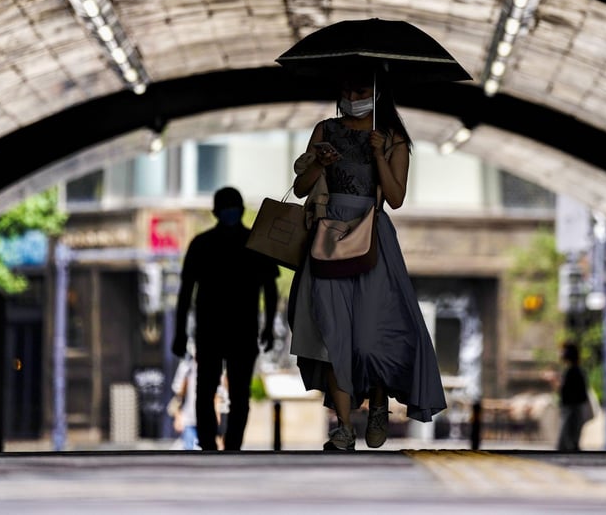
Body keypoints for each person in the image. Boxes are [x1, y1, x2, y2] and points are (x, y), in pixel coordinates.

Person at [289, 63, 447, 451]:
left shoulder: (391, 138)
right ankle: (342, 427)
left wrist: (379, 155)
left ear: (377, 93)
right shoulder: (325, 130)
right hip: (327, 236)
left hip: (373, 236)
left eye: (361, 92)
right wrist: (320, 164)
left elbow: (395, 197)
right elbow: (299, 187)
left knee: (372, 335)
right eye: (348, 91)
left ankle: (378, 404)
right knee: (331, 333)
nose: (353, 99)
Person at [171, 186, 279, 451]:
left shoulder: (201, 244)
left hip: (211, 330)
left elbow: (186, 292)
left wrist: (180, 332)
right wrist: (267, 327)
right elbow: (270, 288)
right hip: (241, 330)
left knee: (206, 390)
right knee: (237, 393)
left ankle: (210, 444)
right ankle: (232, 445)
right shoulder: (256, 245)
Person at [555, 341, 590, 452]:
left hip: (572, 410)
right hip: (573, 409)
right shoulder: (576, 370)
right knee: (570, 442)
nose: (560, 354)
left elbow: (567, 392)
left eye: (562, 351)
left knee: (567, 443)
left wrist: (556, 383)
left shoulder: (573, 371)